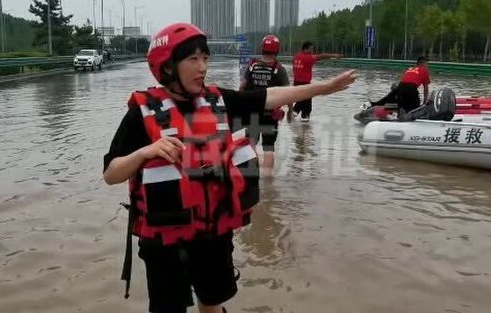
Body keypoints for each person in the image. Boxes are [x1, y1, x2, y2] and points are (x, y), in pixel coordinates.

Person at [103, 23, 355, 313]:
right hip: (163, 246)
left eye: (205, 59)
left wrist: (325, 88)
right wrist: (146, 152)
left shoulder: (219, 100)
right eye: (193, 59)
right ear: (168, 67)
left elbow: (269, 97)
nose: (202, 67)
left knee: (211, 304)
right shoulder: (142, 114)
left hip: (212, 237)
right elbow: (111, 174)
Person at [239, 35, 290, 174]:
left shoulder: (252, 66)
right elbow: (289, 93)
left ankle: (251, 176)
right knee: (268, 148)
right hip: (270, 115)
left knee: (250, 144)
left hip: (251, 113)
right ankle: (268, 183)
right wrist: (290, 112)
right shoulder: (279, 69)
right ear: (277, 49)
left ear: (262, 48)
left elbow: (242, 88)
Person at [291, 41, 343, 122]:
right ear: (305, 49)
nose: (312, 51)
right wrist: (334, 55)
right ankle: (299, 116)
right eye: (311, 49)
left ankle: (295, 115)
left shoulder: (296, 56)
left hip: (296, 83)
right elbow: (321, 56)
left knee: (303, 99)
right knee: (306, 102)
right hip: (305, 83)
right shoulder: (308, 58)